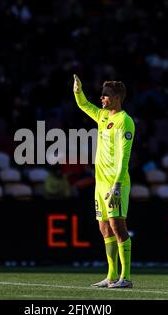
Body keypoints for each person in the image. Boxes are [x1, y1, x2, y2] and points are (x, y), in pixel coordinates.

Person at [73, 74, 135, 288]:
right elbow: (83, 105)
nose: (101, 98)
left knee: (118, 227)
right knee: (104, 228)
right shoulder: (102, 116)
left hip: (116, 183)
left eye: (106, 95)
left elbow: (124, 156)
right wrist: (77, 90)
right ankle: (111, 276)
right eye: (102, 95)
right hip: (100, 183)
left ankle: (125, 278)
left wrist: (117, 184)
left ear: (117, 98)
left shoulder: (124, 121)